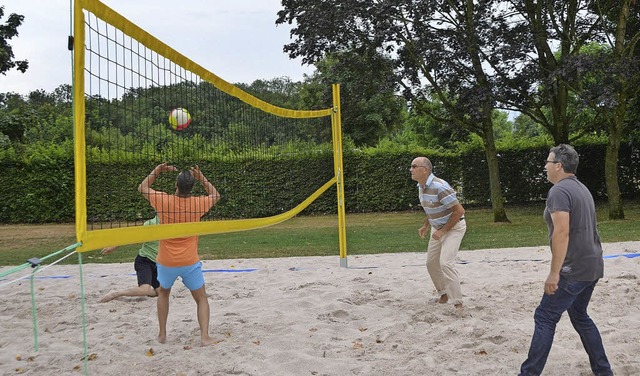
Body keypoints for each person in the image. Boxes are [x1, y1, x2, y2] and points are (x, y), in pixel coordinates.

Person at [519, 145, 613, 375]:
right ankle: (603, 370)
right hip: (592, 264)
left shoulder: (559, 191)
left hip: (573, 269)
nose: (545, 166)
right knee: (580, 316)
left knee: (545, 316)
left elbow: (562, 232)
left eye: (548, 162)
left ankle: (528, 373)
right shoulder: (582, 188)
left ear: (558, 166)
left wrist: (554, 273)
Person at [138, 162, 221, 346]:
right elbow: (216, 195)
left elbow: (142, 187)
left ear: (176, 186)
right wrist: (202, 178)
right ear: (192, 187)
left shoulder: (164, 201)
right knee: (201, 299)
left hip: (166, 261)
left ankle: (161, 335)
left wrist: (157, 171)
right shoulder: (197, 204)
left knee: (163, 294)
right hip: (189, 261)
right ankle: (205, 337)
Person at [410, 156, 466, 310]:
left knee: (446, 263)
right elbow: (431, 208)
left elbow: (459, 211)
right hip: (437, 227)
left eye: (414, 166)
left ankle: (458, 303)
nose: (411, 169)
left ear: (425, 170)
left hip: (454, 227)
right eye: (411, 166)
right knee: (431, 263)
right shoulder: (421, 187)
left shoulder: (440, 187)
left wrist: (443, 231)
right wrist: (426, 225)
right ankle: (444, 293)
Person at [99, 215, 160, 303]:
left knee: (161, 292)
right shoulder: (151, 224)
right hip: (145, 261)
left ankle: (141, 291)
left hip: (158, 264)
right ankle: (116, 293)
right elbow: (133, 237)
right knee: (144, 290)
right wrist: (114, 246)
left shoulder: (173, 223)